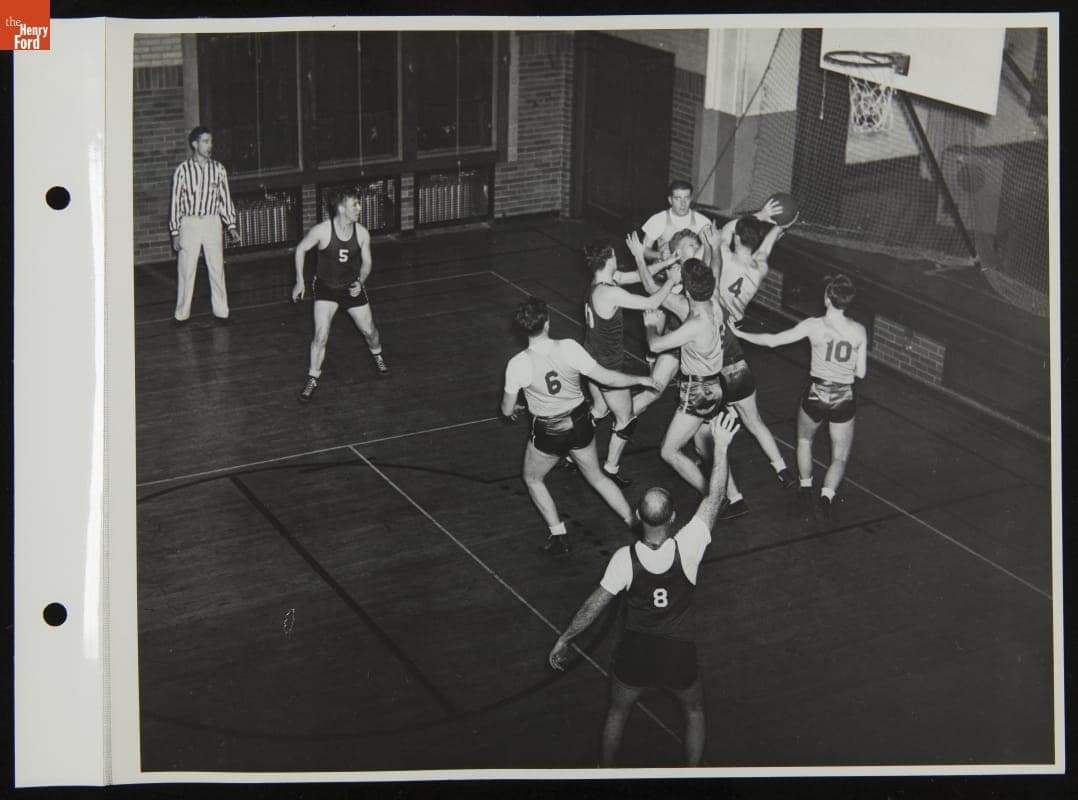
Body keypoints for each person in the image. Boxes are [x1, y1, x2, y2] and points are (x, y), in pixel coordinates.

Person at [547, 409, 741, 767]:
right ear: (671, 518)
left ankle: (606, 779)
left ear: (639, 518)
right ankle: (693, 777)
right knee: (695, 712)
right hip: (678, 650)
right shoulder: (689, 547)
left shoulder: (624, 559)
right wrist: (722, 447)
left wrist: (566, 637)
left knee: (617, 713)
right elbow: (714, 498)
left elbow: (594, 606)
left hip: (636, 648)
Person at [502, 297, 659, 556]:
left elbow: (507, 410)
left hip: (549, 431)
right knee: (596, 476)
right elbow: (606, 377)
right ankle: (634, 523)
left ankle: (559, 534)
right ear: (548, 323)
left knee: (533, 478)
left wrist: (520, 405)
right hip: (580, 422)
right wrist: (641, 378)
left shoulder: (517, 364)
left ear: (521, 329)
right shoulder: (569, 348)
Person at [730, 274, 866, 524]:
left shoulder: (813, 325)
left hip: (817, 393)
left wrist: (741, 335)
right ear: (848, 302)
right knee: (839, 456)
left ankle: (805, 488)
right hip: (844, 396)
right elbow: (861, 372)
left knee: (804, 440)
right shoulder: (859, 330)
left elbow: (772, 341)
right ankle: (826, 498)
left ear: (827, 298)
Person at [696, 200, 799, 517]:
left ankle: (733, 495)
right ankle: (782, 469)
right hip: (737, 354)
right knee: (754, 420)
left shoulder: (724, 259)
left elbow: (725, 232)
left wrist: (760, 216)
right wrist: (779, 226)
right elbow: (765, 245)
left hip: (713, 351)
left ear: (739, 241)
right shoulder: (760, 267)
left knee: (705, 432)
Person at [581, 244, 675, 488]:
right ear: (610, 259)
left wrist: (664, 264)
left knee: (599, 409)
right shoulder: (610, 293)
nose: (617, 258)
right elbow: (651, 301)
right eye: (614, 254)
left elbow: (633, 276)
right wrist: (671, 281)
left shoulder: (599, 280)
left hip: (591, 360)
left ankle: (574, 450)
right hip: (608, 368)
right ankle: (611, 468)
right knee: (627, 418)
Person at [292, 189, 389, 402]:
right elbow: (300, 250)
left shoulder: (362, 233)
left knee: (370, 331)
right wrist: (300, 281)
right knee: (321, 335)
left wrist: (360, 282)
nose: (359, 209)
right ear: (341, 208)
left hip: (350, 288)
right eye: (355, 205)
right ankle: (313, 377)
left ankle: (377, 354)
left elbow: (368, 263)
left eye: (359, 204)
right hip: (326, 288)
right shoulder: (322, 231)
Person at [641, 258, 726, 494]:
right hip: (713, 384)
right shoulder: (714, 303)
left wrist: (651, 324)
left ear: (686, 290)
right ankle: (730, 494)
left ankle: (713, 496)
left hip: (698, 391)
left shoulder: (696, 323)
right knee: (703, 445)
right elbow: (715, 270)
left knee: (669, 451)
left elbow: (656, 346)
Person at [168, 126, 242, 325]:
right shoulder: (182, 170)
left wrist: (231, 225)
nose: (210, 146)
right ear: (195, 144)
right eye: (205, 141)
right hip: (189, 223)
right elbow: (176, 201)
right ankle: (181, 314)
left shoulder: (218, 169)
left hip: (211, 222)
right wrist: (175, 231)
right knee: (186, 269)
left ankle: (221, 312)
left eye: (211, 142)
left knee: (216, 267)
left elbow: (224, 199)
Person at [640, 180, 714, 266]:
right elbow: (644, 250)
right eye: (677, 198)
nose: (683, 203)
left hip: (692, 272)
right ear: (670, 200)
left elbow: (712, 251)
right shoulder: (658, 219)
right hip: (665, 269)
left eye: (686, 198)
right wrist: (659, 255)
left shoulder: (702, 221)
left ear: (691, 199)